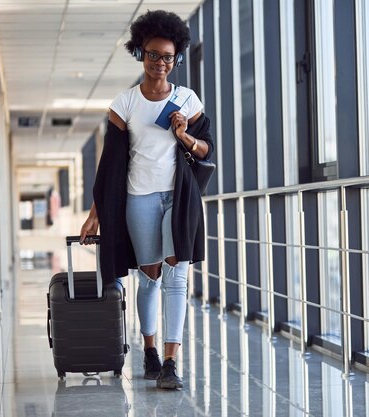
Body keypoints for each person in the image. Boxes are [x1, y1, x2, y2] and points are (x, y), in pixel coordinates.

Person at [79, 9, 213, 390]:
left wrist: (184, 135)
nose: (160, 63)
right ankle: (150, 349)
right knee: (150, 276)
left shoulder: (187, 99)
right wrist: (96, 214)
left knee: (177, 276)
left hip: (178, 198)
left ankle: (171, 361)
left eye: (167, 57)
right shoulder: (125, 104)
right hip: (139, 198)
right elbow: (109, 166)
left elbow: (206, 149)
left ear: (177, 59)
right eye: (153, 54)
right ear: (141, 53)